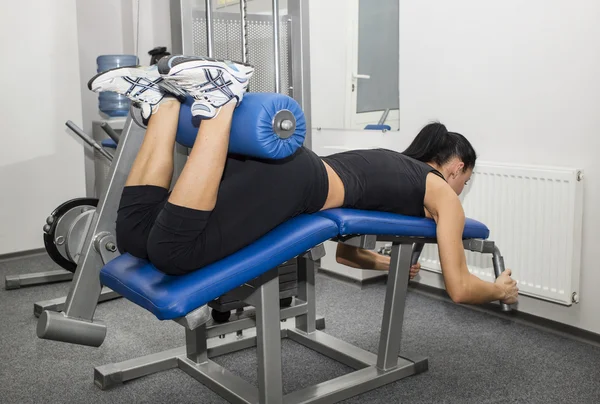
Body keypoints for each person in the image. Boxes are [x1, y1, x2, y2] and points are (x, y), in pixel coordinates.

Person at [89, 55, 519, 306]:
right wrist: (498, 290)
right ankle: (220, 100)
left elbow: (348, 255)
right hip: (294, 183)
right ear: (456, 167)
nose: (461, 190)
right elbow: (460, 288)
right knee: (175, 251)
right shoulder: (442, 192)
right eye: (465, 180)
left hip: (284, 170)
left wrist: (391, 265)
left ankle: (162, 104)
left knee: (137, 238)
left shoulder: (393, 164)